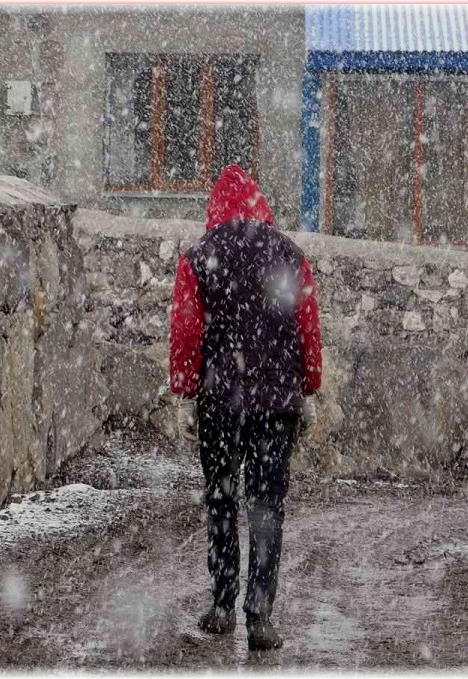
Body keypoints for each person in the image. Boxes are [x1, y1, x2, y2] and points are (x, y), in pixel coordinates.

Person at [168, 164, 323, 651]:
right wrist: (310, 386)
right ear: (260, 205)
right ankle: (259, 615)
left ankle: (221, 604)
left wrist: (183, 390)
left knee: (221, 498)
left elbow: (187, 330)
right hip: (277, 404)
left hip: (219, 402)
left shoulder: (199, 257)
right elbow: (308, 328)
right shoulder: (291, 255)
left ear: (215, 208)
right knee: (266, 506)